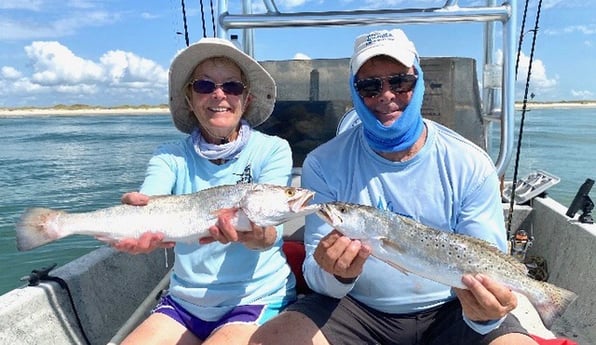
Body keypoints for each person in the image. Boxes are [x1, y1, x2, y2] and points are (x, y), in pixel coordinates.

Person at [251, 29, 538, 345]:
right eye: (370, 86)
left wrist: (485, 313)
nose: (387, 95)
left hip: (453, 307)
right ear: (355, 92)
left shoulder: (471, 163)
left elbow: (486, 262)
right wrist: (337, 273)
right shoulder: (322, 163)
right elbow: (318, 279)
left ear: (420, 83)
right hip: (356, 308)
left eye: (401, 82)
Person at [113, 37, 296, 345]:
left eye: (232, 87)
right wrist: (138, 222)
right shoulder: (168, 156)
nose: (219, 95)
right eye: (204, 85)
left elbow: (270, 234)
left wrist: (259, 235)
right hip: (183, 302)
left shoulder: (273, 150)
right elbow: (150, 201)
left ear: (246, 99)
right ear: (189, 99)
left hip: (253, 299)